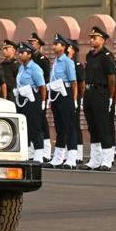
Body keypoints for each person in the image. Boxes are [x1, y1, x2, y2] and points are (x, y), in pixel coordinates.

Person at [82, 26, 116, 171]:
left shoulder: (107, 56)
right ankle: (95, 159)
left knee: (104, 127)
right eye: (91, 38)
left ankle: (107, 159)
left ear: (102, 40)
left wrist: (110, 97)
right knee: (93, 127)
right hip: (89, 93)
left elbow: (111, 79)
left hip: (101, 93)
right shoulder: (89, 56)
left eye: (94, 38)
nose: (91, 40)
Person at [46, 34, 79, 169]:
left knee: (69, 126)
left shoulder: (67, 62)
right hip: (56, 94)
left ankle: (72, 157)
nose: (54, 46)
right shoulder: (55, 61)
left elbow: (74, 82)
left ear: (63, 47)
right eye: (54, 44)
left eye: (56, 44)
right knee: (59, 127)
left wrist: (74, 99)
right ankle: (58, 157)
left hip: (66, 94)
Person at [14, 41, 47, 164]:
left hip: (33, 99)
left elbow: (42, 87)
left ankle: (39, 153)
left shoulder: (35, 68)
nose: (20, 55)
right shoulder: (21, 67)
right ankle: (28, 151)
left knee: (35, 126)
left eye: (22, 52)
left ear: (29, 54)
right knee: (24, 126)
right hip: (22, 99)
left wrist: (43, 102)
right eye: (19, 52)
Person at [29, 33, 53, 160]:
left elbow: (45, 78)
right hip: (30, 94)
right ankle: (34, 150)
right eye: (30, 42)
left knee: (42, 120)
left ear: (39, 44)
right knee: (32, 121)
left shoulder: (43, 59)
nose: (31, 44)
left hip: (40, 92)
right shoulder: (30, 59)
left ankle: (46, 151)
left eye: (33, 42)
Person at [68, 40, 86, 164]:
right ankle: (67, 151)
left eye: (69, 48)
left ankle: (78, 152)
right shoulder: (63, 63)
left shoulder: (78, 65)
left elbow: (81, 84)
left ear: (74, 50)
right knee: (66, 125)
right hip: (64, 97)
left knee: (75, 124)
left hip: (75, 97)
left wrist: (80, 98)